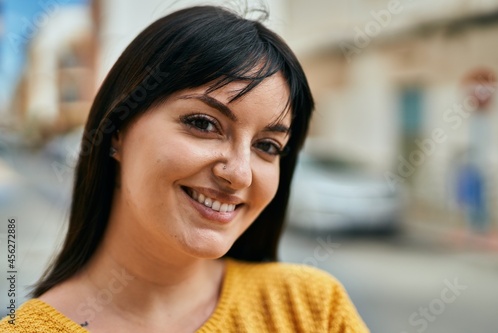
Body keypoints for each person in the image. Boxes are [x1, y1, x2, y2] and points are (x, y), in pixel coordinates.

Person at [0, 5, 369, 332]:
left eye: (267, 146)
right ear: (117, 133)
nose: (239, 174)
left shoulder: (313, 311)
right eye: (204, 123)